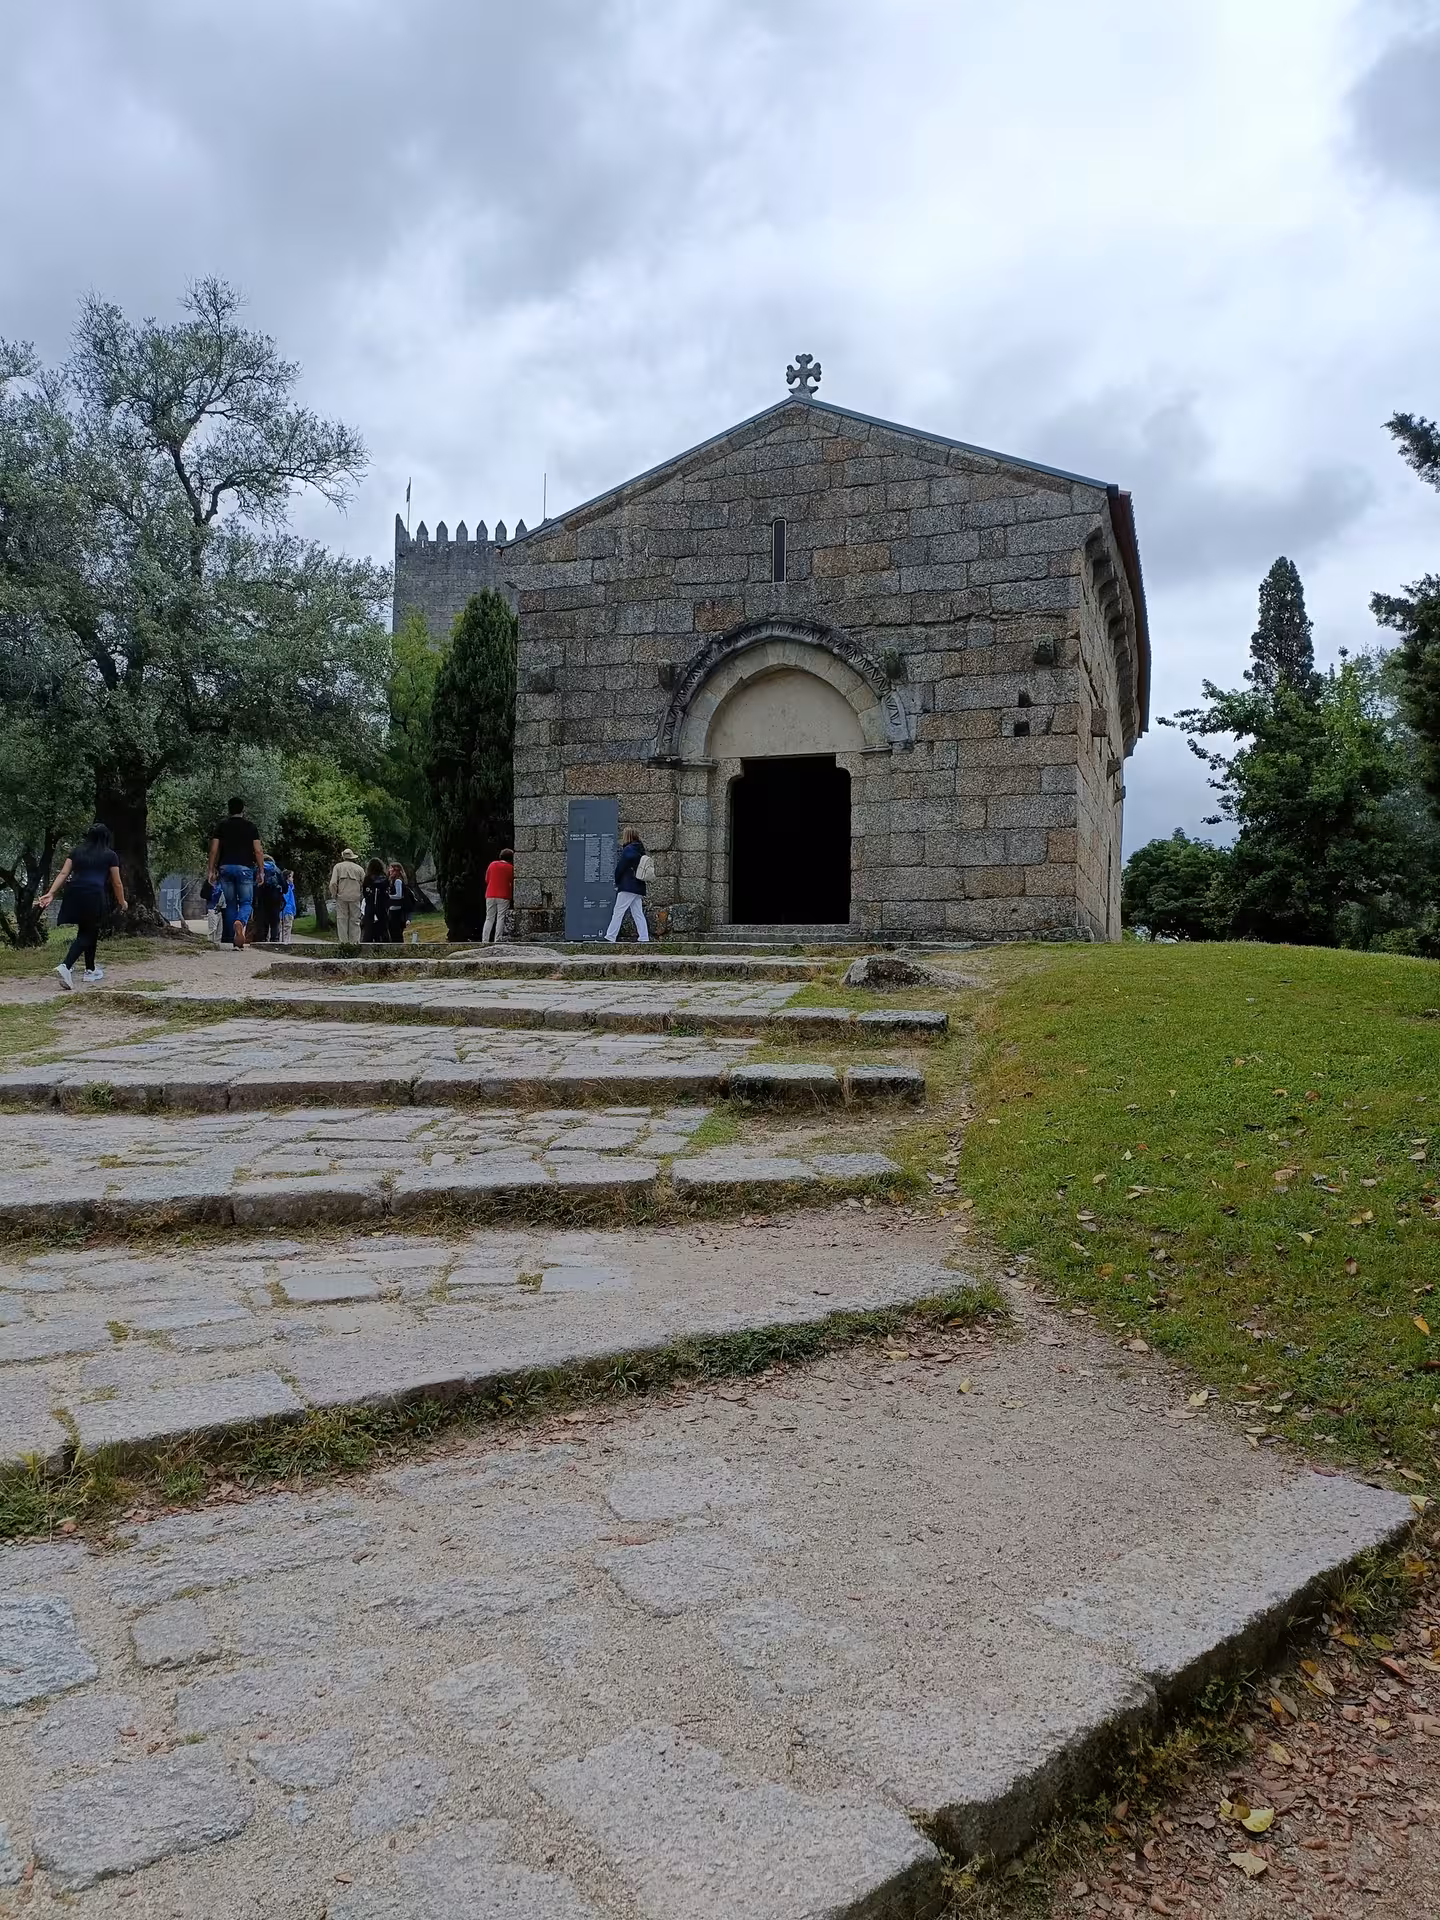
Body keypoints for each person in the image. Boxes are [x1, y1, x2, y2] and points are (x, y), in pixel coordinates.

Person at [38, 822, 127, 992]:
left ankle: (90, 970)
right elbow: (116, 882)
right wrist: (122, 902)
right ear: (106, 838)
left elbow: (64, 873)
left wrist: (52, 892)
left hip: (74, 892)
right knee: (88, 932)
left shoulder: (77, 851)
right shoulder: (110, 855)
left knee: (88, 929)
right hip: (93, 894)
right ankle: (65, 965)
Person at [207, 796, 265, 950]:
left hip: (225, 868)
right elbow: (258, 851)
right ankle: (240, 923)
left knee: (231, 903)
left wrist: (211, 869)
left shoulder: (221, 826)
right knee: (246, 902)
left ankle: (236, 938)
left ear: (229, 809)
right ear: (243, 810)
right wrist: (261, 870)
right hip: (245, 868)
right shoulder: (251, 827)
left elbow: (214, 850)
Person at [604, 829, 649, 943]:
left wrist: (617, 881)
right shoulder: (640, 850)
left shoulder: (628, 850)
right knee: (637, 913)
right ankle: (644, 937)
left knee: (618, 911)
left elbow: (620, 868)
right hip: (638, 885)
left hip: (628, 885)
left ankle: (610, 936)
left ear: (627, 836)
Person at [327, 847, 365, 946]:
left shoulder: (338, 867)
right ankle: (354, 943)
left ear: (343, 857)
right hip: (355, 897)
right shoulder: (359, 868)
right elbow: (365, 883)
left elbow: (333, 883)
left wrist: (334, 894)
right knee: (355, 920)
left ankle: (343, 944)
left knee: (341, 919)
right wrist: (360, 893)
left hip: (342, 896)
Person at [482, 846, 514, 945]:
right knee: (501, 917)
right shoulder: (511, 868)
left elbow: (487, 879)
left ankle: (485, 940)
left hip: (490, 894)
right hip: (504, 895)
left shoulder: (492, 865)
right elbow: (512, 882)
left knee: (489, 918)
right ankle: (497, 940)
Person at [253, 856, 285, 944]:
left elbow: (253, 883)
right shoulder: (276, 869)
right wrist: (283, 892)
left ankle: (262, 938)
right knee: (275, 918)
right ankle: (274, 938)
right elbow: (284, 885)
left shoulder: (257, 869)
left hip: (261, 896)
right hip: (275, 896)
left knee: (263, 917)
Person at [360, 858, 390, 943]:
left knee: (368, 929)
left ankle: (367, 945)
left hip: (370, 905)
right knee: (383, 928)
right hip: (382, 905)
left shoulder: (368, 879)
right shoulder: (384, 878)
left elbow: (365, 893)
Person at [387, 863, 417, 944]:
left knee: (396, 931)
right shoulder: (392, 881)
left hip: (397, 909)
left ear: (395, 871)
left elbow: (399, 895)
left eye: (391, 869)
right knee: (393, 930)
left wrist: (388, 896)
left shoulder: (398, 881)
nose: (389, 870)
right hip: (393, 908)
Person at [279, 870, 297, 945]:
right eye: (292, 877)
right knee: (287, 927)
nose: (293, 879)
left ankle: (283, 941)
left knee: (283, 927)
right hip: (287, 910)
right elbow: (286, 899)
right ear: (288, 877)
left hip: (285, 910)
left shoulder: (289, 887)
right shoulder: (286, 887)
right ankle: (285, 942)